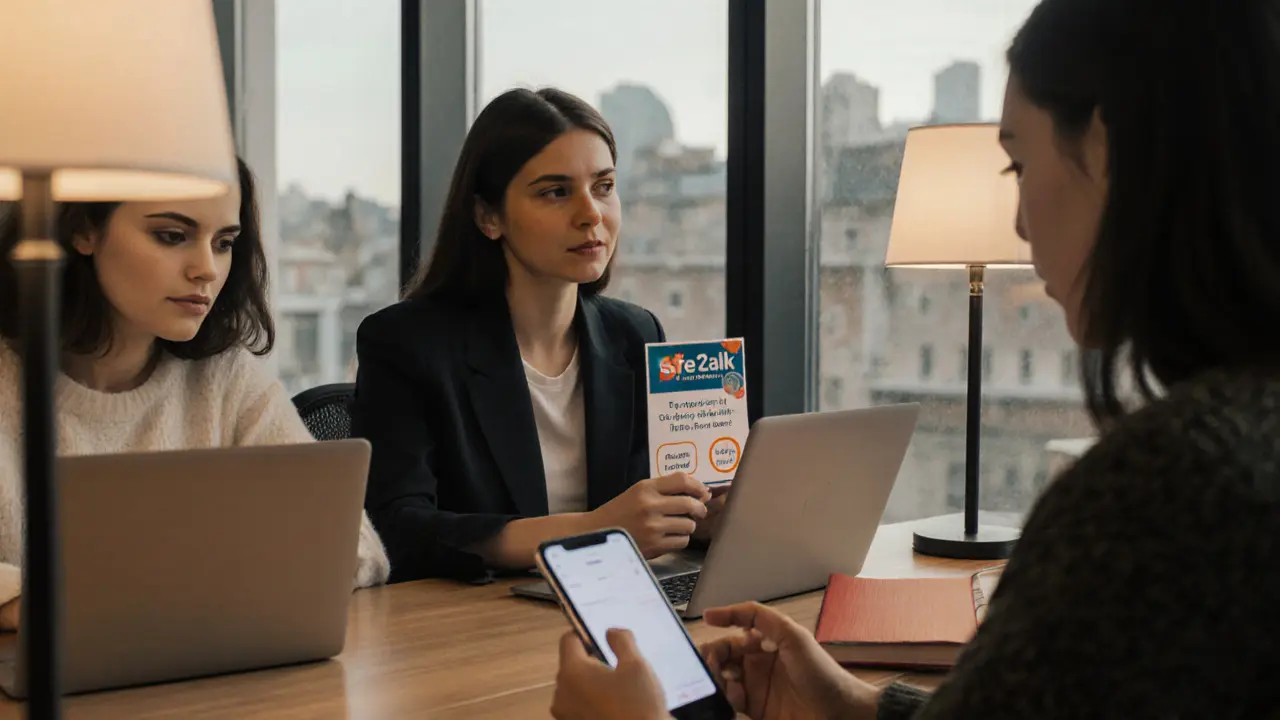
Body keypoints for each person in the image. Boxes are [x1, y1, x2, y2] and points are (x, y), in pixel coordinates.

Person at [549, 0, 1280, 717]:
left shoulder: (1169, 490)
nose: (1021, 223)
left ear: (1106, 148)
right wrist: (855, 706)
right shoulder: (1235, 447)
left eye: (1018, 167)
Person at [352, 88, 727, 584]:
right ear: (488, 216)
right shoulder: (405, 344)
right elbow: (395, 530)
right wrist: (593, 530)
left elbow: (652, 508)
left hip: (614, 604)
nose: (591, 214)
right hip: (477, 630)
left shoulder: (635, 334)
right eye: (556, 192)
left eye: (604, 186)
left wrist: (705, 518)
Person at [0, 157, 391, 631]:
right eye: (171, 236)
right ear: (84, 229)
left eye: (225, 243)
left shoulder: (225, 378)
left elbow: (357, 546)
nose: (206, 269)